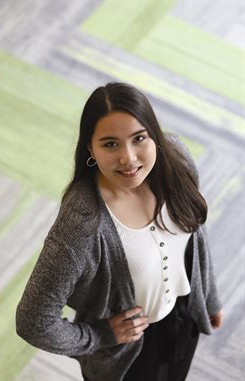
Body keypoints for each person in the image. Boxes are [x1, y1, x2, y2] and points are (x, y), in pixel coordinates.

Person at [16, 82, 223, 381]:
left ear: (155, 135)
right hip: (126, 357)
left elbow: (195, 239)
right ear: (91, 148)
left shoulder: (177, 160)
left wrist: (210, 297)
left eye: (139, 138)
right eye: (110, 144)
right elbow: (33, 321)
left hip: (183, 317)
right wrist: (100, 336)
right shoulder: (82, 225)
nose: (128, 158)